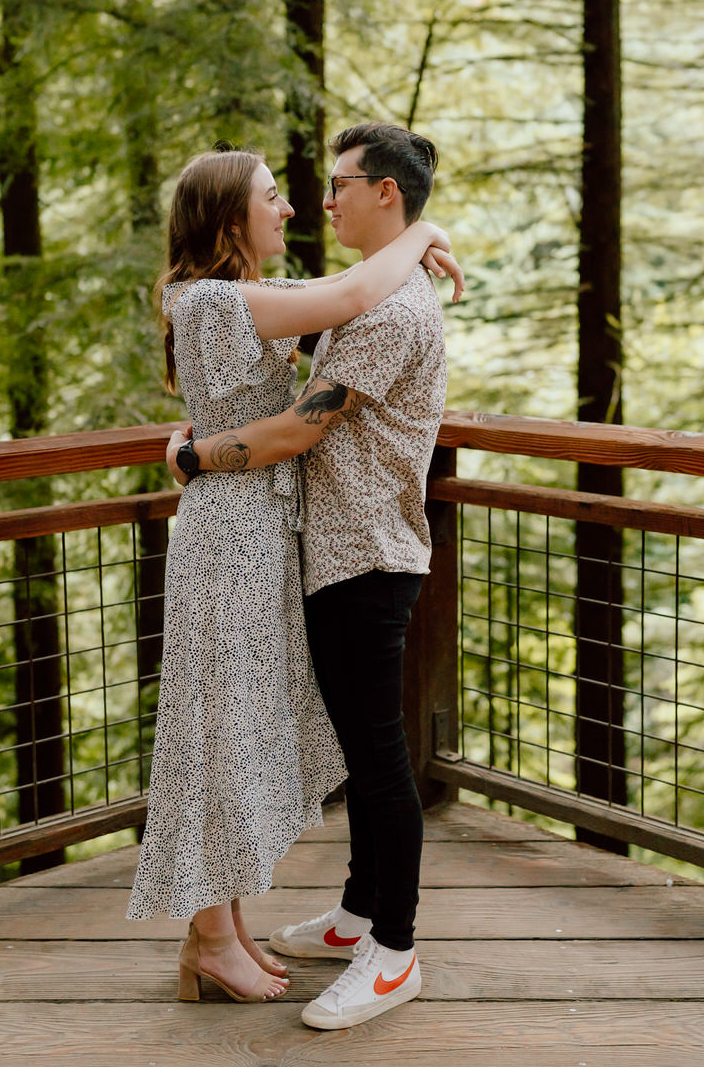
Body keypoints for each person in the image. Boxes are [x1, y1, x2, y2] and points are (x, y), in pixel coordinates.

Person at [127, 143, 462, 1009]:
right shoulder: (217, 298)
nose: (299, 208)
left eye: (323, 189)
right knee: (217, 730)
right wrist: (422, 231)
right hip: (242, 534)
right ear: (225, 217)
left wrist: (195, 452)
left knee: (269, 733)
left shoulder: (274, 301)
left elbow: (342, 313)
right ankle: (216, 935)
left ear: (381, 193)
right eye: (274, 197)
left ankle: (345, 937)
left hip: (307, 541)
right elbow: (341, 302)